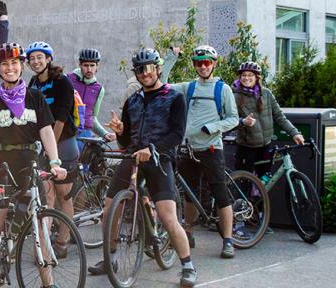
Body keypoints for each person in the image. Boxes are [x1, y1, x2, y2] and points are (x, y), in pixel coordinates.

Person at [88, 48, 196, 287]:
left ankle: (187, 265)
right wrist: (120, 132)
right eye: (139, 69)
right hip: (132, 157)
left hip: (160, 159)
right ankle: (111, 259)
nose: (144, 73)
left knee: (168, 217)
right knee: (109, 210)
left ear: (157, 68)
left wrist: (153, 149)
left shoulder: (174, 97)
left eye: (148, 68)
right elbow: (126, 143)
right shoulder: (133, 101)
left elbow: (177, 134)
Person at [0, 42, 67, 287]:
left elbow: (46, 131)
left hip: (30, 164)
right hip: (2, 168)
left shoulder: (35, 96)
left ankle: (48, 283)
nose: (10, 68)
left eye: (14, 63)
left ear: (22, 66)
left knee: (40, 225)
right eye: (4, 64)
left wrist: (54, 161)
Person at [169, 45, 239, 259]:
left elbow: (233, 118)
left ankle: (228, 240)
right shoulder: (189, 87)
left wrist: (213, 127)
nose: (203, 66)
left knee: (220, 194)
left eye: (207, 62)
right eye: (199, 63)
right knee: (189, 194)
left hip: (211, 149)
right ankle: (188, 233)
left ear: (214, 64)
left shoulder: (222, 89)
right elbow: (161, 85)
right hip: (189, 149)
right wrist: (171, 58)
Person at [25, 41, 79, 259]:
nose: (36, 61)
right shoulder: (32, 83)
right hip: (43, 146)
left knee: (64, 195)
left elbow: (61, 118)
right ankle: (45, 243)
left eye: (40, 57)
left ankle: (62, 241)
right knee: (46, 196)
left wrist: (52, 148)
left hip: (63, 143)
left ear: (48, 59)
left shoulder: (62, 82)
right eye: (32, 58)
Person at [231, 61, 304, 181]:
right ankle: (243, 200)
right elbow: (229, 121)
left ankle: (260, 199)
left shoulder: (266, 94)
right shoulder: (234, 96)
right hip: (246, 148)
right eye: (243, 75)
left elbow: (279, 117)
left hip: (265, 147)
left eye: (250, 75)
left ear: (257, 77)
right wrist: (243, 121)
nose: (246, 78)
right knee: (244, 182)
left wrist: (294, 133)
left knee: (265, 179)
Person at [68, 48, 116, 147]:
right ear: (80, 65)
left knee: (87, 162)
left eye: (92, 65)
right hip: (67, 132)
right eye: (86, 65)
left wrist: (104, 133)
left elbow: (92, 118)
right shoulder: (68, 80)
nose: (89, 69)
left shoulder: (99, 89)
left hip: (86, 135)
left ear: (97, 66)